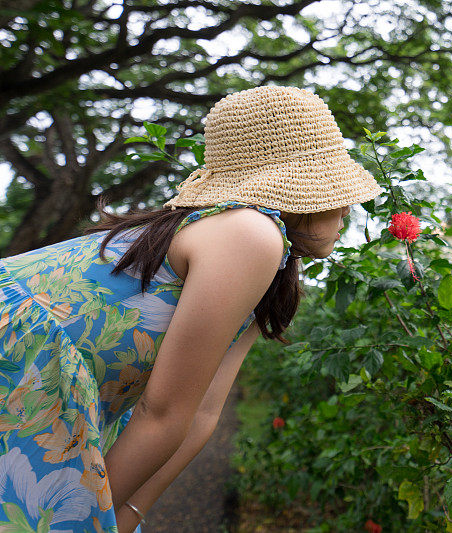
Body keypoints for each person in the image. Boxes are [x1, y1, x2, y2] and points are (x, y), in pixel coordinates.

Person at [0, 85, 381, 532]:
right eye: (335, 193)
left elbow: (201, 410)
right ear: (297, 194)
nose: (348, 211)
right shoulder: (249, 232)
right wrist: (83, 521)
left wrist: (124, 514)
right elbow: (162, 413)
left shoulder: (268, 267)